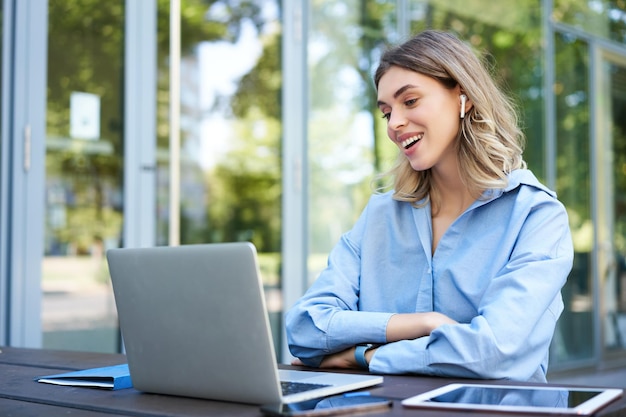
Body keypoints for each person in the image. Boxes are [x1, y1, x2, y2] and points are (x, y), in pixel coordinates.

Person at [285, 30, 573, 383]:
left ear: (462, 96)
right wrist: (421, 324)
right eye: (386, 112)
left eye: (410, 102)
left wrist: (364, 355)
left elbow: (493, 351)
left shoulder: (535, 216)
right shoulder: (379, 215)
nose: (394, 124)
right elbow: (304, 327)